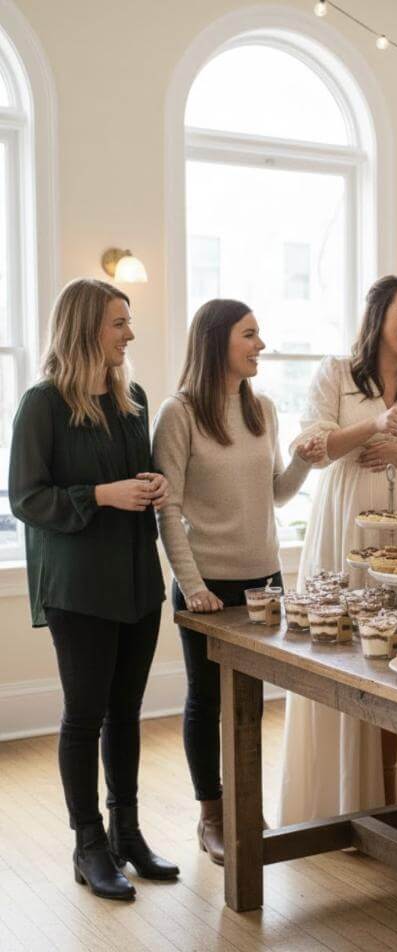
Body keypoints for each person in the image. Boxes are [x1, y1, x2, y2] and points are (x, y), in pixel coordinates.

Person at [278, 275, 397, 825]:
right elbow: (315, 450)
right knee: (349, 648)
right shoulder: (336, 373)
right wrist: (374, 425)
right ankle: (345, 800)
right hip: (347, 527)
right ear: (379, 314)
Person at [8, 278, 176, 901]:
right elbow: (26, 498)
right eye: (118, 322)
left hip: (137, 580)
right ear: (85, 328)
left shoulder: (133, 398)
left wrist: (153, 484)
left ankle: (127, 834)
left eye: (128, 321)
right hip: (78, 587)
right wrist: (102, 495)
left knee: (126, 713)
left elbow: (137, 475)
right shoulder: (42, 404)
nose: (130, 333)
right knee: (85, 716)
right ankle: (89, 844)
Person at [152, 299, 324, 865]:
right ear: (217, 341)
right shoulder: (178, 414)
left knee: (251, 700)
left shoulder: (263, 409)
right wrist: (192, 585)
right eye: (250, 334)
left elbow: (276, 493)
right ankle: (212, 814)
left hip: (264, 581)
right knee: (207, 701)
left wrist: (302, 460)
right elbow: (167, 509)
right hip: (207, 585)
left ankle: (245, 804)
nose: (261, 345)